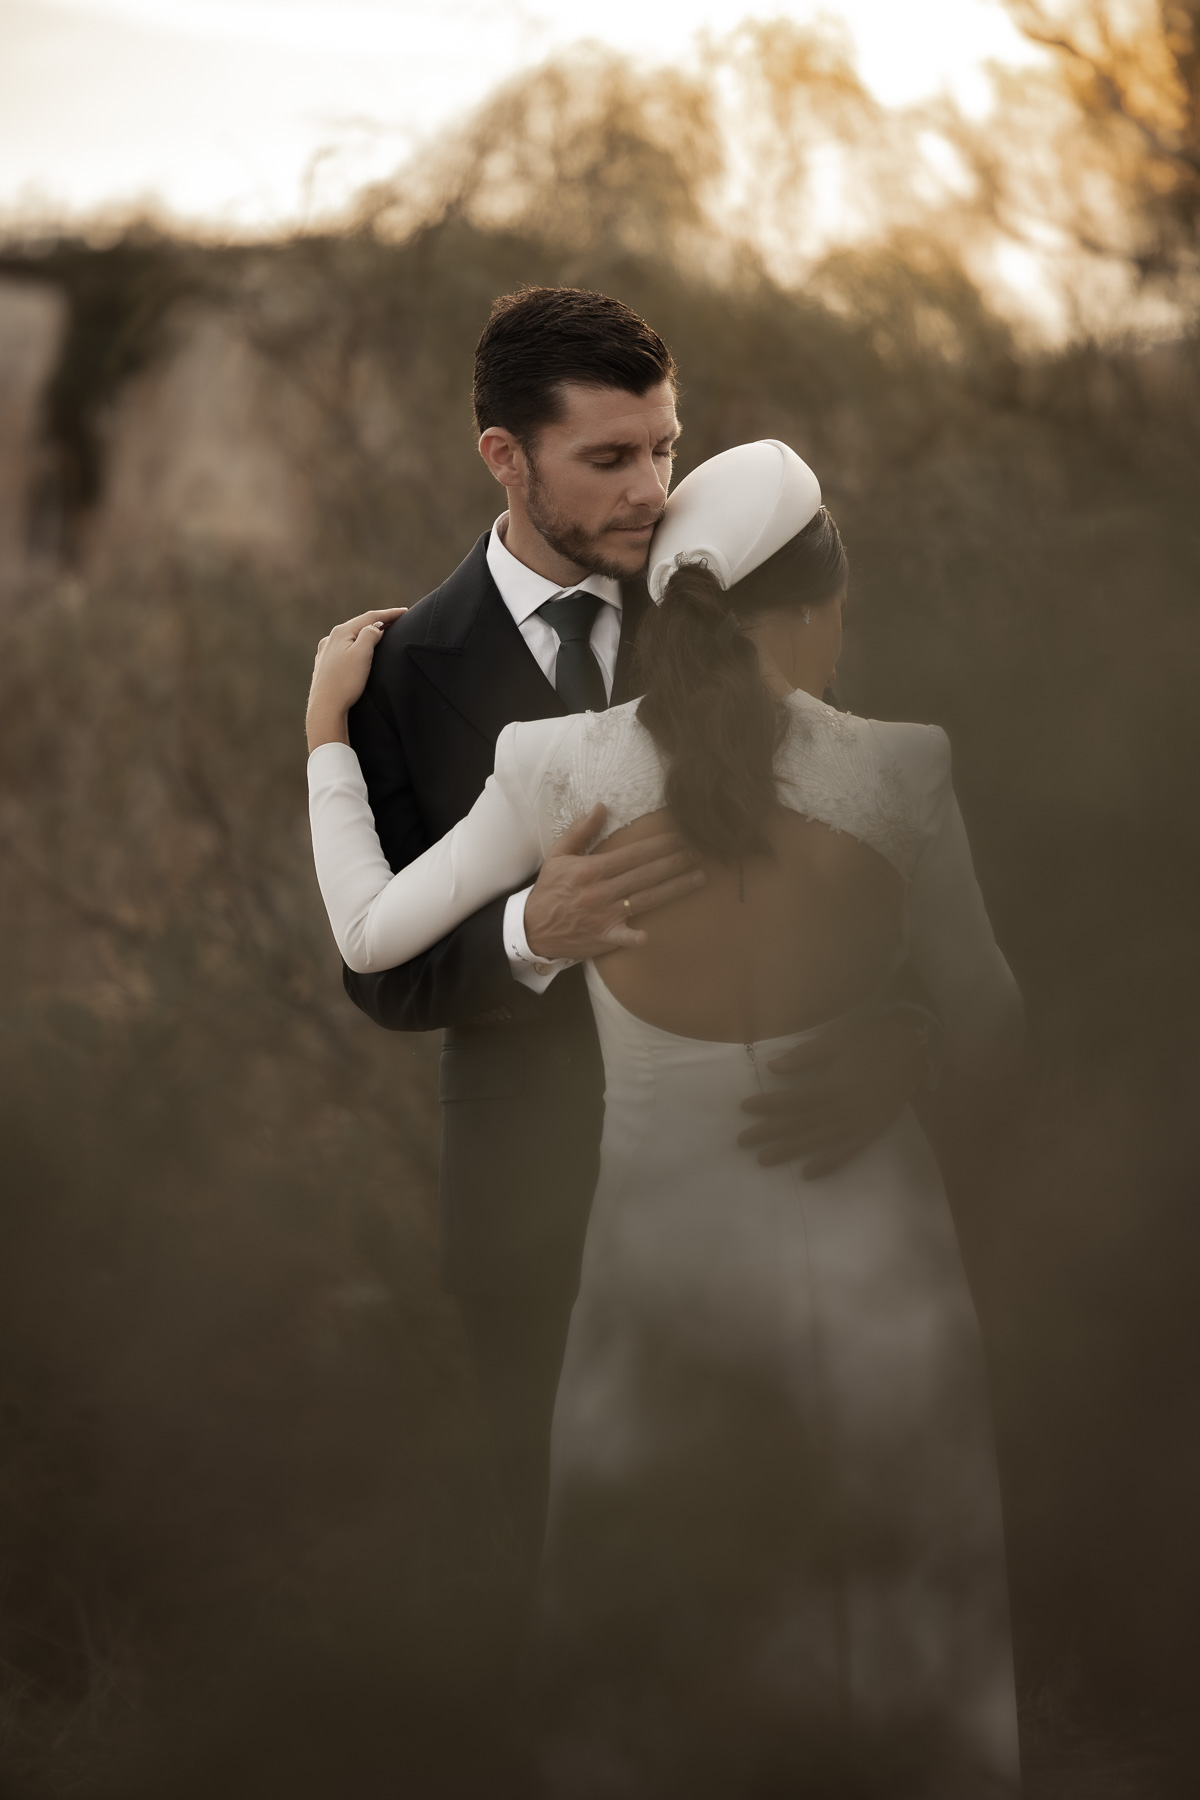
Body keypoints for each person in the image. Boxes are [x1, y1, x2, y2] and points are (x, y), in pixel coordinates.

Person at [306, 438, 1023, 1797]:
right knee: (896, 1622)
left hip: (657, 1281)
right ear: (812, 608)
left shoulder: (555, 767)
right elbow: (994, 1023)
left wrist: (326, 736)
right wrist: (909, 1043)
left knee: (662, 1640)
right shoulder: (903, 772)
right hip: (881, 1265)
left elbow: (368, 931)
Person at [337, 287, 933, 1567]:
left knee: (790, 1567)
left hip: (770, 1175)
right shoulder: (396, 673)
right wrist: (526, 936)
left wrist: (905, 1032)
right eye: (610, 458)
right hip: (534, 1204)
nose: (654, 488)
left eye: (663, 445)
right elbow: (382, 977)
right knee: (581, 1595)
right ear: (505, 456)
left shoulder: (734, 589)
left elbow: (867, 849)